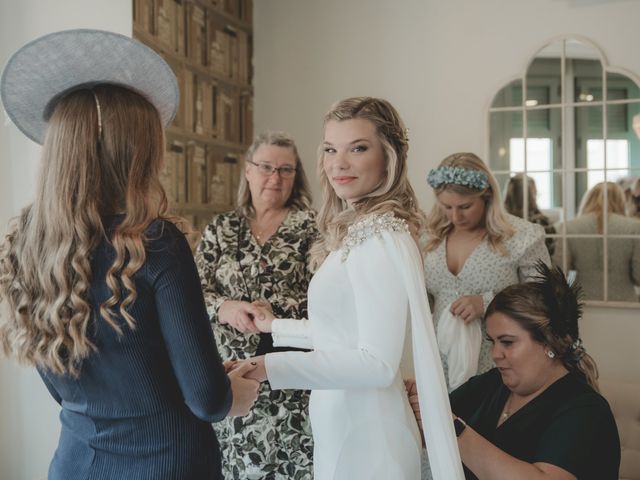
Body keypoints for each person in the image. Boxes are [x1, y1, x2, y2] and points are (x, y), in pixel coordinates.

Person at [0, 29, 259, 480]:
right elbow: (208, 401)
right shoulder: (154, 243)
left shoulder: (24, 246)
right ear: (136, 151)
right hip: (168, 465)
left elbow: (68, 388)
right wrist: (230, 392)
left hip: (76, 464)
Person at [233, 97, 464, 479]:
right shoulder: (362, 228)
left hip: (369, 438)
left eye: (357, 148)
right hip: (344, 425)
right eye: (329, 149)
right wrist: (274, 327)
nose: (339, 163)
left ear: (389, 157)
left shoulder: (381, 236)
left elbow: (376, 363)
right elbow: (343, 335)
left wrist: (266, 367)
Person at [408, 262, 621, 480]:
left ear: (549, 344)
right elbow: (433, 421)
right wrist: (414, 399)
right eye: (493, 341)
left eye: (507, 342)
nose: (495, 354)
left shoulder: (586, 410)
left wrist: (452, 429)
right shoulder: (492, 384)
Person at [195, 131, 317, 479]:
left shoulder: (313, 227)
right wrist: (225, 307)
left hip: (290, 380)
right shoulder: (221, 228)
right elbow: (193, 295)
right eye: (265, 167)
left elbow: (328, 302)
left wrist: (275, 312)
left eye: (285, 169)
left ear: (297, 176)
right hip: (232, 378)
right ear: (248, 171)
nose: (275, 177)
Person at [424, 153, 551, 390]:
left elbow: (546, 298)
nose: (455, 216)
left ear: (487, 196)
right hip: (438, 359)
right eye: (446, 207)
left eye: (465, 206)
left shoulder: (521, 236)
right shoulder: (429, 238)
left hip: (498, 361)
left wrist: (488, 302)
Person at [553, 181, 640, 302]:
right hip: (625, 303)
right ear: (621, 201)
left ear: (588, 199)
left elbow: (559, 273)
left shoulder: (569, 227)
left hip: (581, 302)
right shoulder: (634, 227)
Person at [503, 173, 556, 256]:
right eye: (535, 192)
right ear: (532, 194)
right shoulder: (542, 222)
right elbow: (551, 252)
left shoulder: (501, 222)